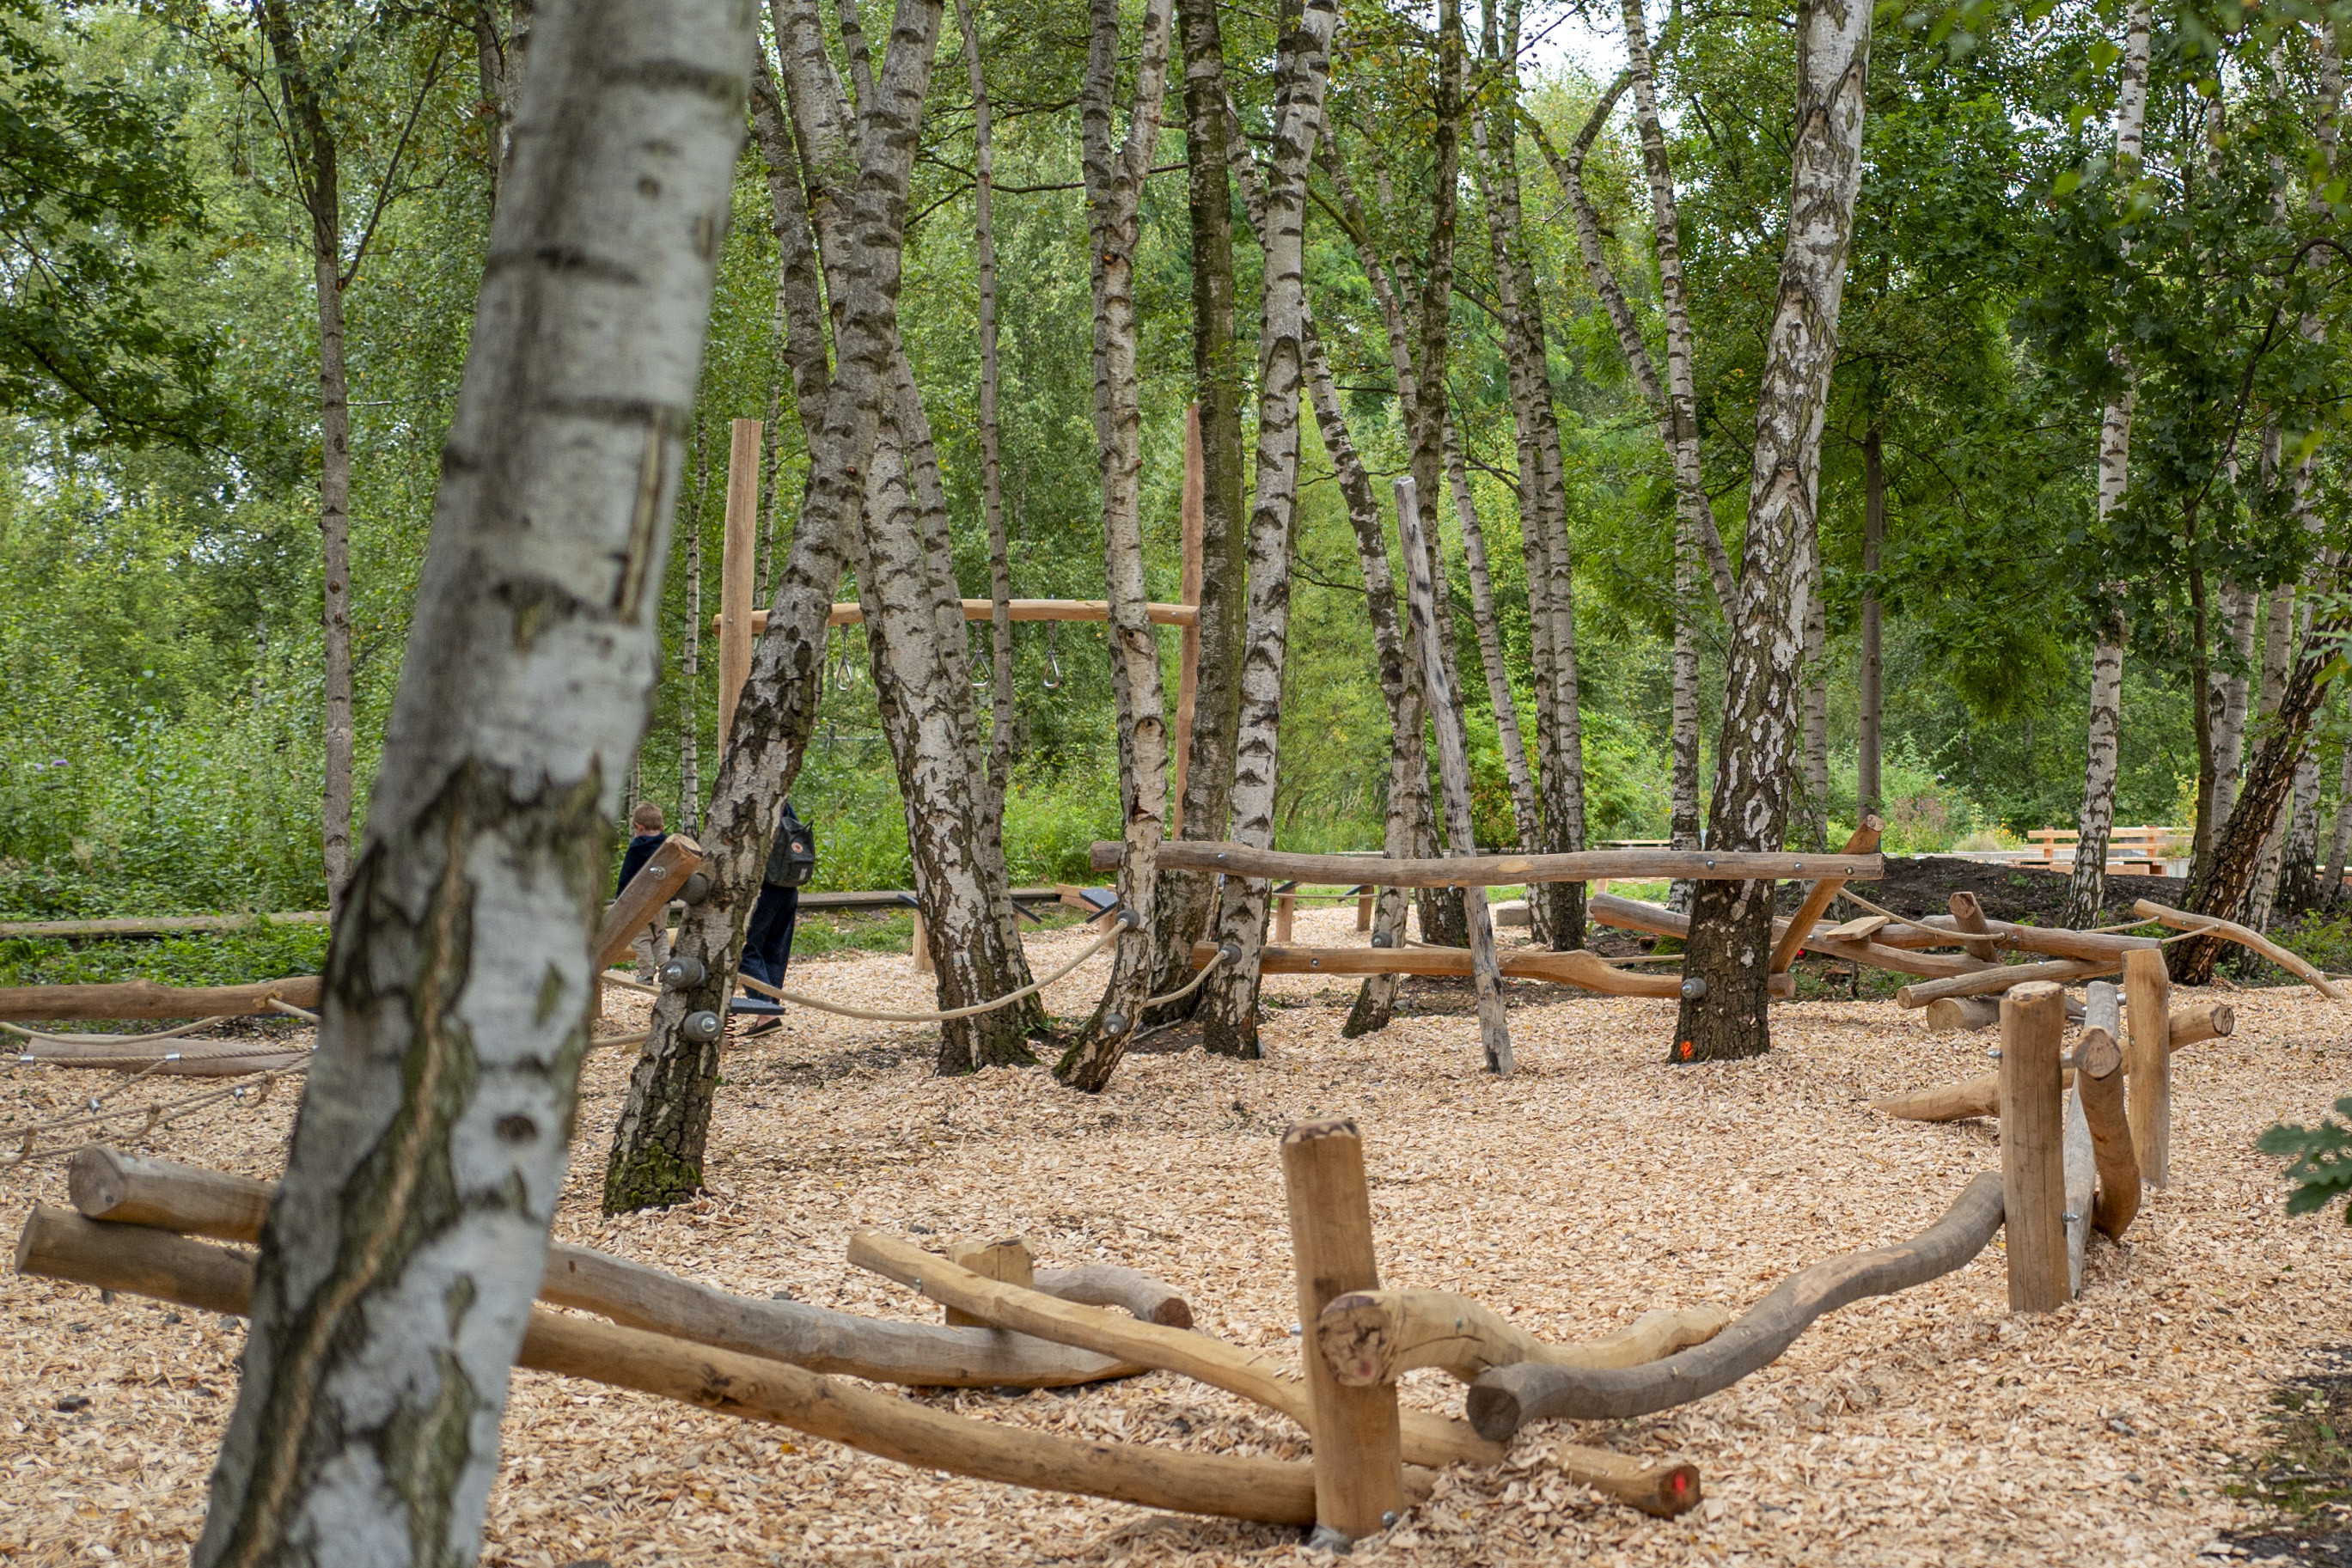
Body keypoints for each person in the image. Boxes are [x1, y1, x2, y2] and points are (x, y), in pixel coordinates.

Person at [738, 799, 811, 1031]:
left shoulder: (753, 800)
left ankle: (765, 1010)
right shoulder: (785, 803)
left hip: (765, 885)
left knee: (745, 947)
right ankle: (769, 1009)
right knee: (775, 948)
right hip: (789, 886)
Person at [616, 802, 670, 980]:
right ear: (661, 827)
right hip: (663, 901)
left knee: (640, 936)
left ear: (638, 827)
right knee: (660, 934)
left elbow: (626, 876)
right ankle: (666, 970)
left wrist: (620, 899)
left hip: (639, 902)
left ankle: (647, 974)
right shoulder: (668, 847)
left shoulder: (636, 848)